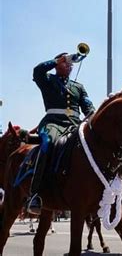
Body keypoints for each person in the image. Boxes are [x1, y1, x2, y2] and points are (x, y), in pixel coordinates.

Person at [27, 52, 95, 214]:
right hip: (53, 123)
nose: (69, 65)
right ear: (57, 64)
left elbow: (87, 105)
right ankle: (35, 193)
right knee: (48, 143)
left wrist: (92, 114)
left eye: (70, 64)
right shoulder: (48, 80)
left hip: (74, 124)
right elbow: (37, 71)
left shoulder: (78, 87)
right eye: (66, 63)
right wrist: (62, 59)